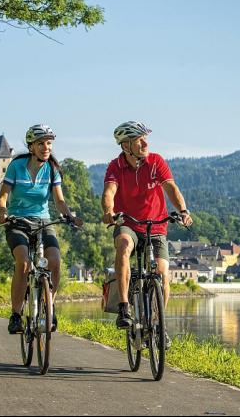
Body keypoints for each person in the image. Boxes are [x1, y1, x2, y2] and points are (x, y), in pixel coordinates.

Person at [101, 121, 193, 345]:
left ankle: (158, 323)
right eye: (139, 139)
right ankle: (124, 308)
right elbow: (109, 192)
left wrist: (183, 211)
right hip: (128, 222)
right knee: (123, 245)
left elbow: (171, 187)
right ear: (126, 146)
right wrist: (109, 212)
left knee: (162, 273)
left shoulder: (156, 161)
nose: (145, 143)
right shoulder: (116, 166)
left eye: (145, 138)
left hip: (156, 225)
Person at [0, 124, 83, 334]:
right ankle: (16, 315)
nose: (46, 147)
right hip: (18, 221)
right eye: (41, 143)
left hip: (44, 221)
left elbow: (59, 200)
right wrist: (2, 211)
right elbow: (3, 196)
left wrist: (69, 215)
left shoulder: (52, 169)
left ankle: (49, 307)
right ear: (31, 146)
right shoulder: (17, 166)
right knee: (24, 263)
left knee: (54, 262)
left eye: (49, 143)